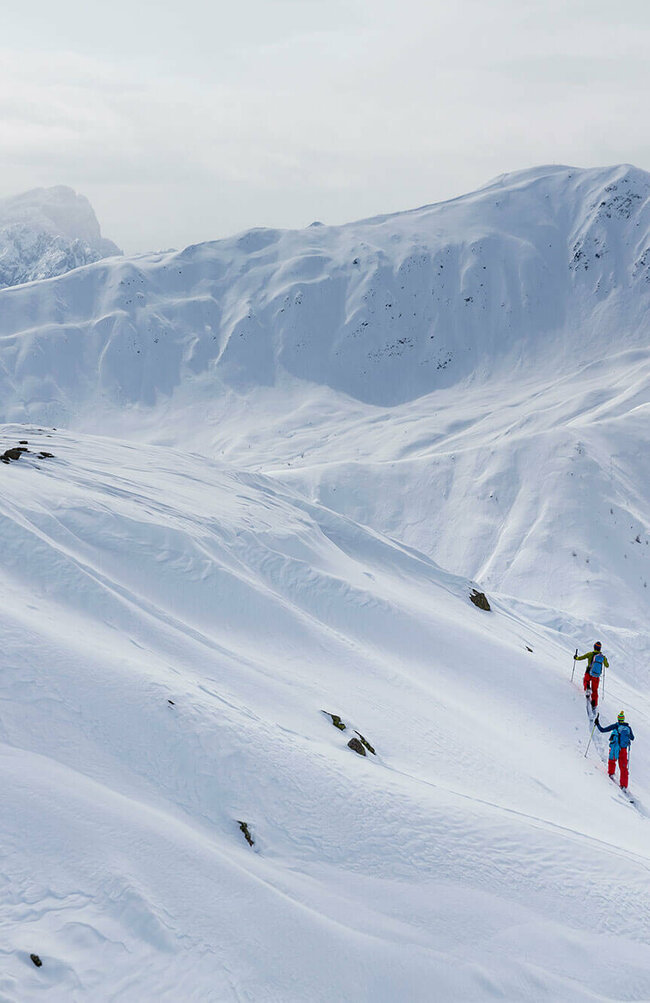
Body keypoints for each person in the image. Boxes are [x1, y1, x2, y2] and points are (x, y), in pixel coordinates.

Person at [595, 711, 635, 789]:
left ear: (618, 719)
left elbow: (602, 730)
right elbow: (632, 738)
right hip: (624, 750)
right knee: (623, 768)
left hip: (616, 748)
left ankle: (611, 773)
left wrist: (597, 724)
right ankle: (624, 785)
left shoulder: (616, 726)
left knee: (612, 760)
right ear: (623, 719)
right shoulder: (628, 728)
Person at [575, 641, 609, 709]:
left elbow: (581, 658)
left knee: (586, 680)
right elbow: (607, 665)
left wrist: (576, 658)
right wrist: (605, 660)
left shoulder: (590, 654)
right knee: (595, 689)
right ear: (600, 649)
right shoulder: (602, 657)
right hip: (596, 675)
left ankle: (587, 688)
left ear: (594, 647)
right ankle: (594, 703)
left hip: (588, 672)